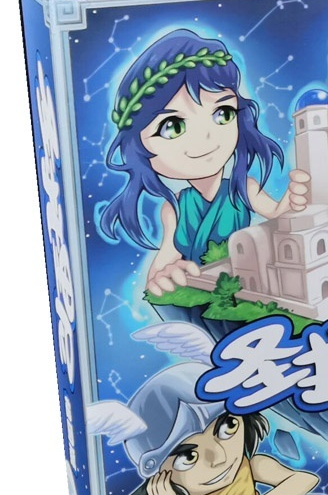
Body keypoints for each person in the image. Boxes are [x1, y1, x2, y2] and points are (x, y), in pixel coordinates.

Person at [99, 29, 309, 295]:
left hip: (244, 284)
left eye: (223, 113)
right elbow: (165, 260)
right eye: (173, 126)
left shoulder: (244, 189)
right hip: (199, 288)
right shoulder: (173, 209)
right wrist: (162, 277)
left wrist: (292, 201)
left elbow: (279, 216)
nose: (206, 137)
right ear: (139, 146)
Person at [88, 361, 319, 495]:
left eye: (228, 427)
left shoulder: (251, 467)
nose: (219, 458)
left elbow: (306, 479)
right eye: (189, 457)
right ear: (160, 472)